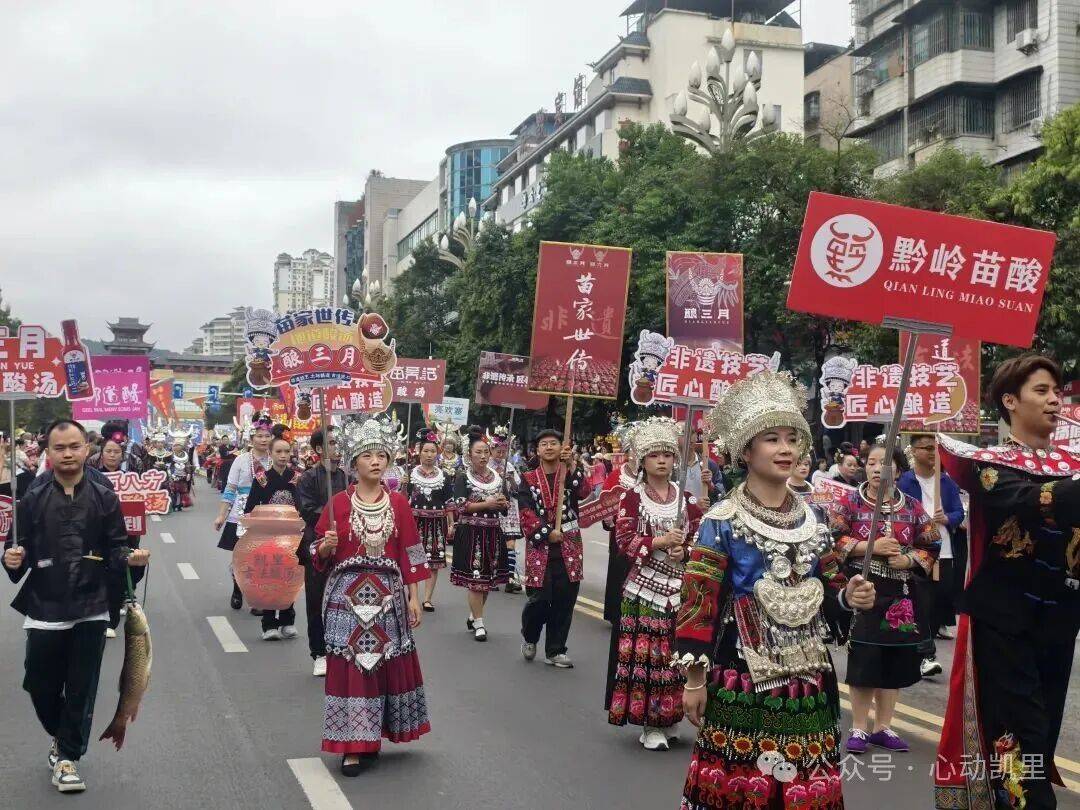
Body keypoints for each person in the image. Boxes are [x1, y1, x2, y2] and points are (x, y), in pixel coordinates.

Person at [675, 372, 876, 809]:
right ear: (746, 451)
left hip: (810, 681)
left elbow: (830, 588)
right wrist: (694, 680)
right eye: (772, 439)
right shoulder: (722, 521)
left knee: (805, 788)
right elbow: (698, 606)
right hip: (743, 677)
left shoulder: (816, 520)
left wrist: (850, 596)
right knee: (742, 788)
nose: (786, 449)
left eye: (791, 438)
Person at [934, 356, 1080, 810]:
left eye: (1057, 391)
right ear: (1010, 401)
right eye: (1042, 390)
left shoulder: (1073, 465)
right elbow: (1032, 498)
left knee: (1043, 734)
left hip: (1059, 623)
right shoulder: (987, 465)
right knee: (1021, 738)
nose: (1054, 399)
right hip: (1004, 623)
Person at [3, 419, 150, 794]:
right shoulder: (31, 499)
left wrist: (131, 557)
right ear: (48, 452)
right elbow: (13, 550)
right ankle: (63, 733)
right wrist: (12, 560)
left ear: (87, 449)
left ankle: (68, 757)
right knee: (38, 682)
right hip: (45, 603)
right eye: (59, 448)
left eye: (74, 446)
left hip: (92, 604)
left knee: (82, 687)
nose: (67, 454)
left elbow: (117, 545)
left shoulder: (104, 496)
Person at [312, 417, 430, 776]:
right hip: (346, 600)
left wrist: (414, 596)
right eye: (368, 456)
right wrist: (326, 546)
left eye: (382, 455)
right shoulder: (336, 504)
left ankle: (373, 737)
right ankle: (351, 747)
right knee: (352, 668)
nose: (376, 461)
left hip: (388, 599)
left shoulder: (399, 503)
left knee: (381, 666)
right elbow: (316, 555)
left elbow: (412, 552)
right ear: (353, 463)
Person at [829, 441, 939, 755]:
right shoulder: (849, 502)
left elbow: (930, 544)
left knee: (893, 660)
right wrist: (871, 547)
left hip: (900, 593)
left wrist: (909, 559)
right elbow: (833, 537)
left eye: (885, 463)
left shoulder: (912, 507)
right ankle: (860, 728)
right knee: (864, 659)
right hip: (862, 589)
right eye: (873, 463)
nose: (878, 468)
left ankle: (883, 727)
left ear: (899, 471)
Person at [607, 417, 703, 750]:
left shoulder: (687, 500)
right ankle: (650, 722)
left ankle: (672, 715)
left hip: (679, 586)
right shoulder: (631, 499)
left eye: (667, 454)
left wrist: (685, 548)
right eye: (654, 455)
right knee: (650, 657)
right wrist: (660, 542)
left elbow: (701, 541)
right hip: (645, 588)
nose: (662, 460)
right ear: (642, 461)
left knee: (677, 656)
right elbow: (624, 541)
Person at [517, 428, 591, 668]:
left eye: (554, 443)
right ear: (537, 450)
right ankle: (530, 636)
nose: (549, 447)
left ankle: (556, 649)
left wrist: (572, 465)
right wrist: (548, 533)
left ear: (562, 448)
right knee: (539, 598)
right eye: (544, 444)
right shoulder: (527, 479)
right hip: (541, 546)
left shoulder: (567, 473)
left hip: (569, 544)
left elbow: (585, 491)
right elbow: (525, 513)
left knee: (565, 598)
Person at [896, 434, 966, 679]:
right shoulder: (904, 482)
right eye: (925, 448)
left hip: (944, 551)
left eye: (934, 448)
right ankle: (927, 655)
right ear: (913, 451)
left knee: (941, 601)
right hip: (916, 552)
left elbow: (958, 512)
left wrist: (947, 518)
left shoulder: (946, 482)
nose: (931, 452)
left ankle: (920, 648)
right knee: (921, 603)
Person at [295, 428, 347, 678]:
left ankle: (341, 649)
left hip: (343, 546)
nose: (337, 447)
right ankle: (319, 653)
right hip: (316, 544)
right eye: (332, 443)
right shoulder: (307, 478)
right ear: (318, 449)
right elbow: (306, 509)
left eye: (338, 442)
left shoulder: (346, 478)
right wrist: (332, 517)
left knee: (343, 600)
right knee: (316, 600)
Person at [449, 427, 509, 640]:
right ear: (469, 455)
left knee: (487, 580)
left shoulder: (498, 477)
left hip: (493, 533)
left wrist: (502, 503)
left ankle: (474, 616)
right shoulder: (462, 477)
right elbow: (460, 507)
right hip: (472, 533)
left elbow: (505, 507)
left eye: (486, 452)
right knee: (476, 578)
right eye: (478, 452)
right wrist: (487, 503)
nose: (483, 456)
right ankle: (480, 623)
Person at [214, 413, 274, 611]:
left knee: (261, 556)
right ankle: (238, 588)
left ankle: (256, 595)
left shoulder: (275, 459)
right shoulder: (240, 461)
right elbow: (230, 489)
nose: (264, 440)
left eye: (267, 436)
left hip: (265, 512)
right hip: (240, 512)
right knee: (241, 555)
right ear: (251, 439)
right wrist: (222, 515)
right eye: (259, 436)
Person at [243, 436, 300, 640]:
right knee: (268, 576)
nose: (283, 456)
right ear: (271, 453)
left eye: (286, 451)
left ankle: (287, 620)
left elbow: (302, 507)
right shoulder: (261, 479)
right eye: (279, 452)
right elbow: (250, 508)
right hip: (267, 536)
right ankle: (269, 624)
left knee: (289, 577)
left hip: (291, 536)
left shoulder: (297, 478)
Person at [408, 428, 453, 612]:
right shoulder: (409, 474)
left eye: (432, 451)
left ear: (437, 453)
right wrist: (403, 485)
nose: (429, 455)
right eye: (425, 451)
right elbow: (402, 500)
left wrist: (451, 523)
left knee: (433, 562)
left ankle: (427, 598)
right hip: (415, 523)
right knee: (415, 560)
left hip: (436, 524)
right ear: (419, 452)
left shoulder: (444, 476)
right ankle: (414, 595)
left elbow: (448, 502)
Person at [602, 423, 639, 625]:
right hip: (620, 534)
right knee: (619, 571)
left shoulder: (649, 475)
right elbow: (605, 503)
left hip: (645, 534)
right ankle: (616, 613)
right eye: (632, 450)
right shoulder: (617, 476)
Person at [489, 425, 524, 594]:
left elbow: (518, 488)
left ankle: (510, 577)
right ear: (491, 449)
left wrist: (510, 479)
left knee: (510, 543)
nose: (501, 453)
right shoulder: (486, 465)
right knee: (494, 543)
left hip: (509, 509)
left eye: (504, 450)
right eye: (498, 450)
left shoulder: (509, 466)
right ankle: (492, 576)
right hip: (492, 508)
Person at [166, 436, 194, 512]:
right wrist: (170, 474)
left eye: (179, 445)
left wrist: (188, 473)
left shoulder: (185, 455)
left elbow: (187, 464)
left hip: (183, 475)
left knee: (183, 492)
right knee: (173, 491)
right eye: (175, 445)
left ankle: (181, 505)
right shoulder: (170, 455)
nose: (177, 447)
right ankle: (173, 504)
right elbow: (168, 465)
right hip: (173, 475)